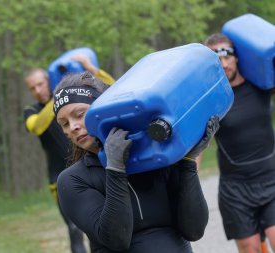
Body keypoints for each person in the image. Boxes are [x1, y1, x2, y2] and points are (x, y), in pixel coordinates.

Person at [53, 72, 217, 252]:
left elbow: (194, 230)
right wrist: (115, 169)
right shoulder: (73, 180)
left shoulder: (157, 156)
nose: (73, 127)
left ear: (103, 108)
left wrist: (187, 162)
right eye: (64, 124)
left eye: (79, 114)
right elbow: (116, 239)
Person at [23, 55, 114, 253]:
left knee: (101, 223)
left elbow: (112, 91)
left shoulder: (73, 97)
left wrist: (93, 71)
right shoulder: (31, 110)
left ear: (49, 79)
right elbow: (37, 126)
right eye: (32, 88)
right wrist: (62, 95)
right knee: (74, 227)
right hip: (58, 177)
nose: (37, 91)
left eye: (40, 84)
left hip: (89, 166)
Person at [204, 33, 275, 253]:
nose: (224, 64)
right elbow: (198, 143)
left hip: (271, 179)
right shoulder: (211, 99)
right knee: (250, 248)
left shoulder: (261, 86)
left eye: (227, 57)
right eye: (217, 60)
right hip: (235, 189)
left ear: (237, 57)